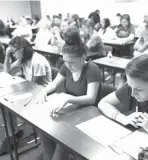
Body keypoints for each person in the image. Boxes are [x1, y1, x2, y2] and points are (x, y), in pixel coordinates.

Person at [36, 26, 101, 160]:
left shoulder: (91, 69)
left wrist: (68, 99)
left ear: (83, 57)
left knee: (61, 140)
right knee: (43, 130)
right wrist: (44, 91)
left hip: (87, 115)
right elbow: (54, 84)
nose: (67, 65)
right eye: (65, 61)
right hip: (72, 112)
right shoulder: (67, 66)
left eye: (71, 62)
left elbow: (91, 98)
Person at [0, 36, 52, 156]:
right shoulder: (24, 59)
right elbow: (7, 71)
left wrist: (18, 94)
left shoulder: (37, 61)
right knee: (4, 103)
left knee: (9, 103)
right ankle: (12, 134)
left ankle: (11, 136)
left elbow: (35, 86)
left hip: (43, 94)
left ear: (22, 49)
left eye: (14, 52)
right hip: (31, 90)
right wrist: (6, 56)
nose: (13, 56)